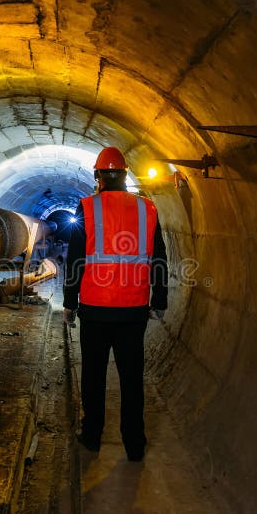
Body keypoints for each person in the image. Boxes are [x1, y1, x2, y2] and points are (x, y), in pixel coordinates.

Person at [63, 146, 168, 461]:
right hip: (133, 310)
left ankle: (92, 436)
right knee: (132, 378)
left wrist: (69, 302)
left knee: (93, 376)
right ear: (125, 175)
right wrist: (159, 300)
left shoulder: (87, 207)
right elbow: (159, 258)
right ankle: (134, 444)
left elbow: (75, 261)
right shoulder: (147, 209)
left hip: (95, 310)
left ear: (98, 176)